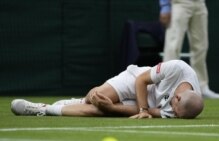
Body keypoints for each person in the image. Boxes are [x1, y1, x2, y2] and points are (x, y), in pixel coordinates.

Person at [11, 60, 204, 119]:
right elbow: (141, 81)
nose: (172, 114)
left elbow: (155, 111)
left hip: (148, 102)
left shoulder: (182, 110)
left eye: (175, 115)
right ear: (177, 97)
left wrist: (112, 109)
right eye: (174, 109)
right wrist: (144, 110)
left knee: (101, 108)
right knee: (93, 96)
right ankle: (79, 101)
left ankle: (42, 109)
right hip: (138, 79)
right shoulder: (178, 68)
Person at [159, 0, 219, 99]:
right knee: (173, 46)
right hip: (179, 3)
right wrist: (165, 6)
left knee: (201, 47)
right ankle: (167, 87)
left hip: (200, 3)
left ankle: (201, 87)